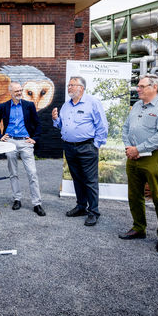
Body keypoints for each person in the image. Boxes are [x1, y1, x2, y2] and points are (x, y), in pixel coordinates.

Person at [119, 73, 158, 253]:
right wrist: (129, 147)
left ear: (154, 88)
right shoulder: (137, 105)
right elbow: (126, 128)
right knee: (134, 195)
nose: (138, 89)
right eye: (138, 86)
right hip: (133, 156)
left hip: (153, 157)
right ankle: (139, 228)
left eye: (142, 86)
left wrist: (139, 149)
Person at [51, 76, 109, 226]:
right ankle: (81, 206)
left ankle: (94, 211)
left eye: (72, 85)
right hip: (69, 147)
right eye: (68, 85)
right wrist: (55, 119)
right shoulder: (66, 105)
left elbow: (102, 125)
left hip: (87, 147)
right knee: (77, 179)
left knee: (90, 181)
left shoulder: (93, 103)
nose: (69, 87)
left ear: (81, 88)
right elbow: (60, 125)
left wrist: (95, 145)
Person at [0, 82, 45, 216]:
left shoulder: (29, 105)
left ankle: (37, 203)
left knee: (32, 173)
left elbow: (38, 124)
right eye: (16, 91)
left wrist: (35, 138)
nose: (19, 93)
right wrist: (0, 137)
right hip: (10, 142)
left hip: (25, 142)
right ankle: (17, 199)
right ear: (10, 92)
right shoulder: (3, 106)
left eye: (20, 90)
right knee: (13, 173)